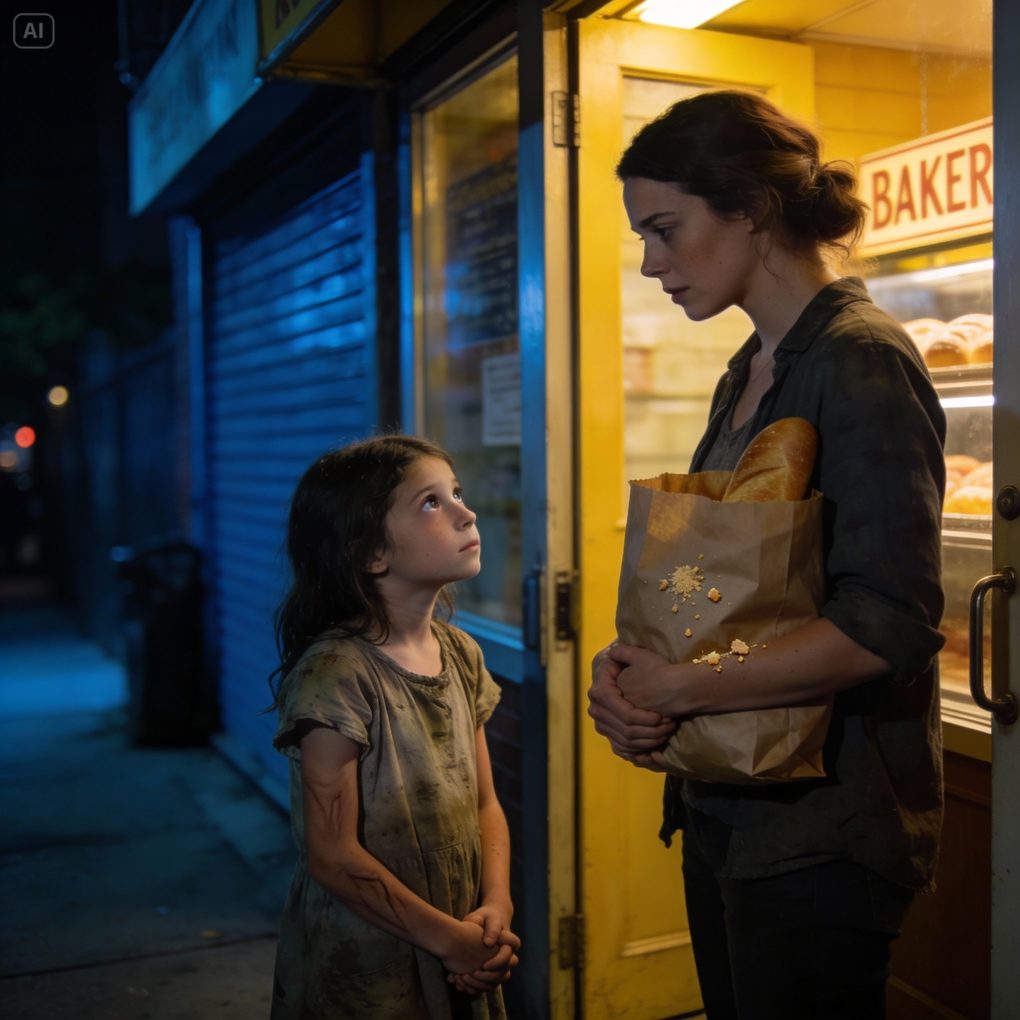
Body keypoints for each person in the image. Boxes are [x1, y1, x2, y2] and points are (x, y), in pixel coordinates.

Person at [587, 90, 946, 1020]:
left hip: (824, 827)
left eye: (664, 230)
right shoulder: (747, 369)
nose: (651, 263)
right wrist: (627, 675)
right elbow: (723, 594)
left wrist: (683, 688)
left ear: (749, 207)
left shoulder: (860, 359)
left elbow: (890, 622)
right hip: (724, 801)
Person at [269, 434, 520, 1019]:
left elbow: (485, 802)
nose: (466, 513)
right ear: (369, 554)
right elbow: (331, 854)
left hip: (464, 928)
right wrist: (448, 940)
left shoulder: (461, 653)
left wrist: (496, 908)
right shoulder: (336, 674)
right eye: (431, 502)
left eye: (456, 493)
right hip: (371, 950)